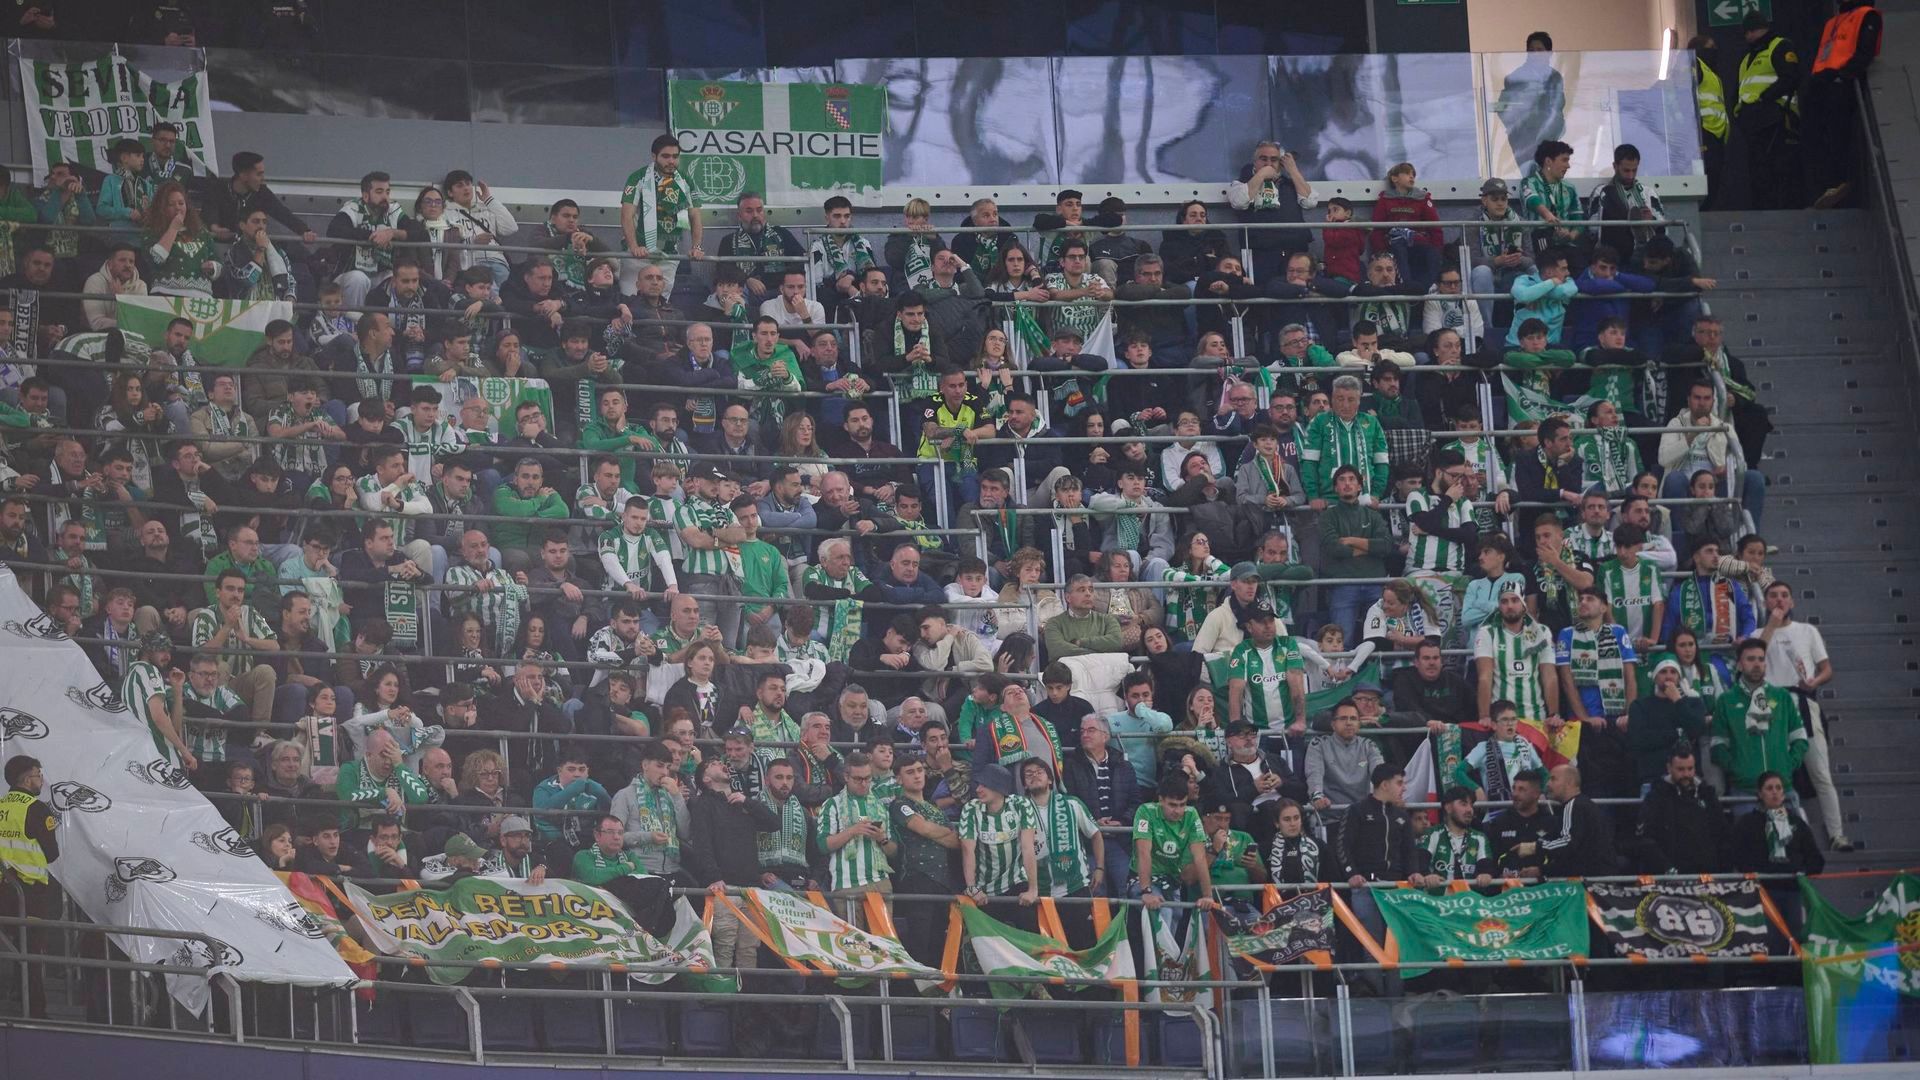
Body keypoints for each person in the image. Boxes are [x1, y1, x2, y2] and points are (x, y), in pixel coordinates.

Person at [1757, 581, 1852, 850]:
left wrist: (1815, 682)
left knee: (1820, 771)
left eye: (1785, 595)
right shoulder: (1758, 632)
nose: (1779, 600)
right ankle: (1784, 835)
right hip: (1773, 702)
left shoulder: (1807, 631)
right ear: (1765, 602)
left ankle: (1837, 834)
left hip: (1803, 701)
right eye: (1773, 596)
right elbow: (1756, 656)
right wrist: (1772, 626)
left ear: (1793, 602)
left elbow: (1826, 668)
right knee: (1775, 775)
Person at [1803, 0, 1883, 208]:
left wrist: (1844, 76)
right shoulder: (1833, 22)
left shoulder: (1866, 15)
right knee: (1818, 135)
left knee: (1838, 133)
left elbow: (1865, 50)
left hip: (1840, 81)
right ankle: (1825, 185)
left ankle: (1839, 181)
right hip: (1821, 81)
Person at [1709, 638, 1808, 801]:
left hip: (1782, 789)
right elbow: (1717, 745)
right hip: (1745, 790)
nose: (1757, 664)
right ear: (1739, 664)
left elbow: (1800, 738)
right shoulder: (1726, 700)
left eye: (1761, 659)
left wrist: (1788, 765)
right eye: (1750, 659)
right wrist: (1737, 769)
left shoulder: (1782, 697)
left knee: (1797, 826)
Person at [0, 755, 57, 1017]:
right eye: (38, 773)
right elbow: (52, 853)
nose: (41, 779)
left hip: (3, 889)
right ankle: (36, 1012)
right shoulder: (36, 808)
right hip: (30, 892)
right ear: (26, 779)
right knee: (32, 953)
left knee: (14, 946)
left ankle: (14, 993)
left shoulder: (1, 806)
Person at [1735, 11, 1804, 211]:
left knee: (1779, 167)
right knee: (1759, 170)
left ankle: (1781, 209)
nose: (1747, 37)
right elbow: (1741, 89)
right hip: (1753, 120)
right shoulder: (1748, 57)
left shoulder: (1779, 46)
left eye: (1750, 31)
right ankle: (1764, 208)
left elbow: (1790, 78)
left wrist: (1765, 98)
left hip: (1776, 117)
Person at [819, 751, 897, 925]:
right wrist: (852, 831)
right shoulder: (832, 805)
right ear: (846, 777)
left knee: (884, 946)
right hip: (848, 884)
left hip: (880, 882)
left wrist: (882, 838)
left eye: (868, 779)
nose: (864, 784)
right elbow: (823, 845)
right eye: (858, 779)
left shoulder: (880, 807)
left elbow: (893, 852)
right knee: (855, 946)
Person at [620, 134, 703, 294]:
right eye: (665, 156)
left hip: (668, 256)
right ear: (654, 156)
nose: (671, 161)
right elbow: (626, 216)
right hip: (638, 255)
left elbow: (695, 216)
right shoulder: (638, 177)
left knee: (660, 307)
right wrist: (634, 246)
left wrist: (697, 247)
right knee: (630, 302)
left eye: (675, 156)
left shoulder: (685, 180)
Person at [1227, 141, 1315, 282]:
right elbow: (1239, 201)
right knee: (1263, 294)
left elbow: (1310, 202)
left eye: (1274, 159)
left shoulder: (1290, 183)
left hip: (1294, 252)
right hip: (1260, 253)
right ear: (1255, 162)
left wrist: (1292, 170)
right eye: (1263, 159)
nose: (1269, 163)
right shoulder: (1241, 184)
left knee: (1296, 293)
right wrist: (1261, 175)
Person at [1635, 745, 1728, 874]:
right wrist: (1666, 868)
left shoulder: (1707, 795)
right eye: (1680, 769)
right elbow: (1646, 838)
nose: (1686, 774)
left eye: (1690, 769)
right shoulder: (1656, 797)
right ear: (1669, 768)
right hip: (1669, 877)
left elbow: (1721, 832)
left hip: (1706, 875)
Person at [1625, 657, 1710, 789]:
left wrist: (1678, 700)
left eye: (1673, 672)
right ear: (1655, 677)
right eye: (1663, 672)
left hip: (1688, 778)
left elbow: (1697, 729)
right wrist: (1676, 733)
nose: (1668, 676)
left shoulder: (1693, 703)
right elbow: (1638, 740)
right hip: (1653, 778)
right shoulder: (1640, 706)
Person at [1731, 771, 1826, 874]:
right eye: (1769, 788)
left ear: (1783, 794)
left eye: (1778, 788)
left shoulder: (1797, 823)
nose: (1774, 792)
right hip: (1761, 886)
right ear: (1760, 794)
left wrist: (1803, 871)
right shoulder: (1747, 823)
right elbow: (1738, 856)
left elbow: (1815, 857)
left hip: (1793, 886)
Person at [1535, 764, 1617, 879]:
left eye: (1553, 779)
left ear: (1569, 783)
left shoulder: (1573, 806)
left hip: (1590, 881)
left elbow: (1567, 843)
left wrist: (1535, 847)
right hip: (1597, 876)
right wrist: (1543, 869)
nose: (1548, 784)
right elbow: (1576, 854)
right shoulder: (1584, 805)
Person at [1415, 787, 1495, 888]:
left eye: (1471, 805)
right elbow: (1420, 863)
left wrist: (1486, 875)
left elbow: (1486, 867)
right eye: (1463, 804)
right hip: (1437, 901)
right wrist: (1428, 876)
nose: (1470, 810)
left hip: (1469, 901)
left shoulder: (1480, 838)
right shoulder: (1432, 833)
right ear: (1448, 808)